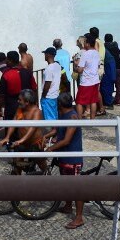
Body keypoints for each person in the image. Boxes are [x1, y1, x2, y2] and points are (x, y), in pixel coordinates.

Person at [44, 91, 85, 230]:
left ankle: (79, 217)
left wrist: (51, 148)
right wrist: (45, 136)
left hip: (72, 157)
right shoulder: (63, 115)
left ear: (59, 104)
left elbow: (67, 140)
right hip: (64, 156)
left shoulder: (73, 117)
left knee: (77, 188)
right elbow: (56, 130)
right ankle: (68, 206)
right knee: (66, 184)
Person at [0, 88, 46, 173]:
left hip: (34, 143)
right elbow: (14, 122)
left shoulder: (36, 112)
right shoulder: (20, 108)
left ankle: (49, 178)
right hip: (22, 143)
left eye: (20, 100)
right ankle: (18, 183)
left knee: (41, 164)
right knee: (17, 164)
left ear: (27, 102)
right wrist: (7, 137)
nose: (18, 101)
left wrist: (20, 141)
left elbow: (32, 129)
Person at [0, 50, 37, 120]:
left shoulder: (6, 74)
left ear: (10, 61)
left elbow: (1, 95)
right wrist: (34, 104)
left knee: (11, 128)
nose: (6, 61)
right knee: (26, 128)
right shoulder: (28, 72)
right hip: (27, 106)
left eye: (7, 59)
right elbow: (34, 89)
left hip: (11, 107)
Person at [74, 35, 102, 118]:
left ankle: (79, 122)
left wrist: (76, 66)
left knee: (79, 102)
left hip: (86, 82)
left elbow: (80, 70)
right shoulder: (97, 53)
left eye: (85, 42)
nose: (84, 43)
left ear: (88, 44)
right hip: (95, 80)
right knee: (93, 101)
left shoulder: (85, 54)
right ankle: (92, 119)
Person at [40, 47, 61, 121]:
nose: (44, 55)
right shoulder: (58, 66)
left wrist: (43, 96)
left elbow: (47, 84)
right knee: (54, 117)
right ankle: (56, 131)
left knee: (49, 120)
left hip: (48, 97)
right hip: (55, 95)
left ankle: (52, 132)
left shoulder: (49, 69)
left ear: (49, 55)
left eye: (45, 54)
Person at [104, 34, 120, 105]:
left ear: (105, 39)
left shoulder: (104, 47)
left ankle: (109, 99)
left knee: (109, 84)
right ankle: (117, 99)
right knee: (118, 84)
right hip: (119, 67)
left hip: (110, 68)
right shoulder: (116, 46)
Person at [100, 37, 117, 110]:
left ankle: (108, 103)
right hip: (111, 66)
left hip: (108, 66)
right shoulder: (104, 48)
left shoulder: (101, 47)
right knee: (108, 85)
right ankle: (108, 102)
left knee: (106, 85)